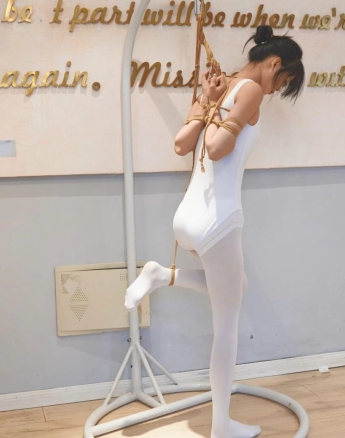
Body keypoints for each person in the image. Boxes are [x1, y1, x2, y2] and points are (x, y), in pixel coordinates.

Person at [124, 24, 304, 438]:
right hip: (218, 221)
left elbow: (181, 144)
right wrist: (220, 116)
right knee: (227, 326)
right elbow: (216, 148)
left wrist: (207, 102)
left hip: (186, 218)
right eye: (283, 81)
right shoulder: (251, 90)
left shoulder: (219, 87)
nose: (277, 90)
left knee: (236, 287)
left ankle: (161, 274)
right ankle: (222, 425)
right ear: (274, 63)